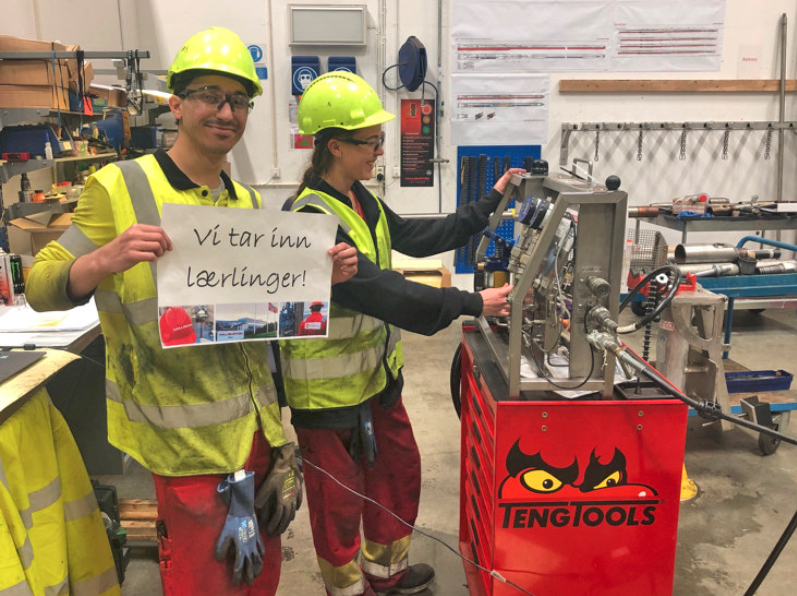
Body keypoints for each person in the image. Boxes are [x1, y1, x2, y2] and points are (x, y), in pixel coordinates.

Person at [25, 28, 357, 596]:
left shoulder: (246, 201)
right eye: (209, 95)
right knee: (205, 582)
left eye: (238, 101)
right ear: (176, 105)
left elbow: (258, 314)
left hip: (255, 432)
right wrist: (103, 258)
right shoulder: (119, 186)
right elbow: (40, 286)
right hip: (181, 442)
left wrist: (318, 279)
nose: (225, 112)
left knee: (261, 579)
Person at [280, 71, 519, 596]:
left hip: (375, 378)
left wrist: (486, 205)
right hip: (327, 395)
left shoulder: (358, 198)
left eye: (380, 140)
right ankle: (348, 591)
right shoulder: (309, 219)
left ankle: (385, 574)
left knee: (397, 473)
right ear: (335, 146)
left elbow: (414, 234)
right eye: (370, 142)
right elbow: (384, 293)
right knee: (338, 502)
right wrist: (471, 302)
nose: (380, 151)